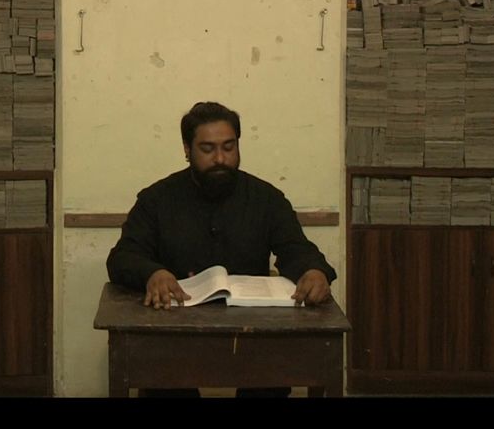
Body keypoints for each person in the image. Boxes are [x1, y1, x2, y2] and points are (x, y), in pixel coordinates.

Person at [106, 101, 337, 397]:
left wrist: (314, 271)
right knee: (163, 385)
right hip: (174, 330)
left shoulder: (266, 198)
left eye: (229, 147)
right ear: (187, 149)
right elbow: (124, 257)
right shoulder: (157, 199)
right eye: (207, 149)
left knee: (271, 379)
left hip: (254, 330)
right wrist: (152, 273)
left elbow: (296, 248)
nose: (220, 158)